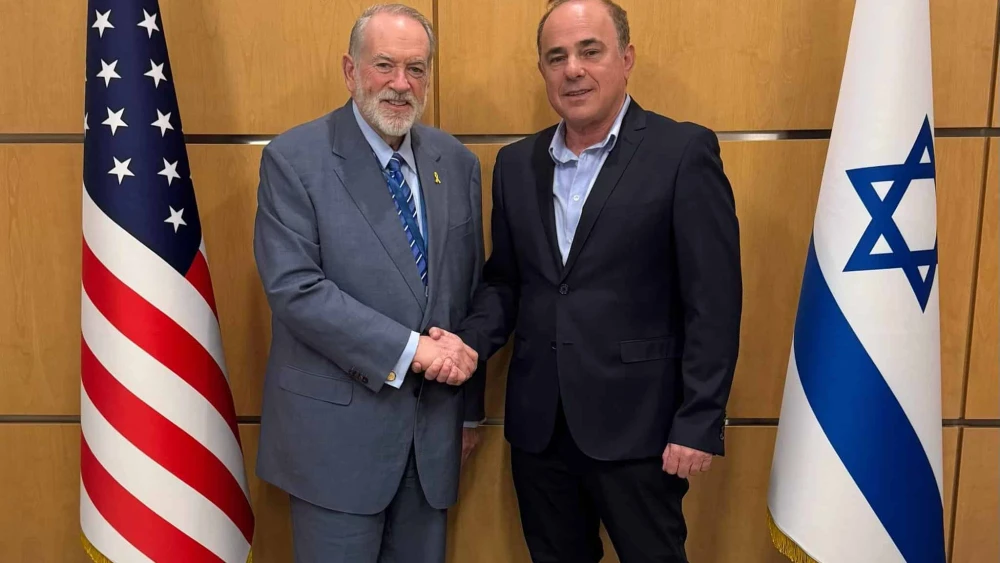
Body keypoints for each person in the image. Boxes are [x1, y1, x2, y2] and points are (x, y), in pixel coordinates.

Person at [421, 0, 742, 561]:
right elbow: (506, 284)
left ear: (626, 58)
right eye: (557, 56)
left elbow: (713, 302)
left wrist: (699, 420)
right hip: (541, 428)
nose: (573, 69)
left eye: (590, 51)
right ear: (543, 70)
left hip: (642, 430)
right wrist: (469, 342)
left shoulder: (682, 152)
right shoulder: (518, 164)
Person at [251, 4, 486, 562]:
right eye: (385, 65)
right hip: (334, 444)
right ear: (350, 70)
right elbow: (295, 289)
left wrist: (468, 410)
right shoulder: (294, 159)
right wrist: (414, 353)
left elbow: (467, 291)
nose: (401, 84)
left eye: (417, 68)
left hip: (432, 443)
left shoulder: (456, 163)